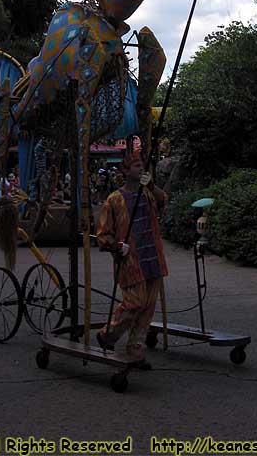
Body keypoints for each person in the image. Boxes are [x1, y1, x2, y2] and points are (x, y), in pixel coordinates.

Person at [96, 149, 168, 367]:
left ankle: (135, 346)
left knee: (148, 306)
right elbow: (102, 235)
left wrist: (152, 185)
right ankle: (108, 333)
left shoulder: (147, 193)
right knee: (134, 303)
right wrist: (117, 246)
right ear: (125, 170)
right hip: (131, 260)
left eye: (142, 165)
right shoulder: (114, 200)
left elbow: (163, 200)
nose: (141, 168)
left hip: (152, 256)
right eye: (137, 165)